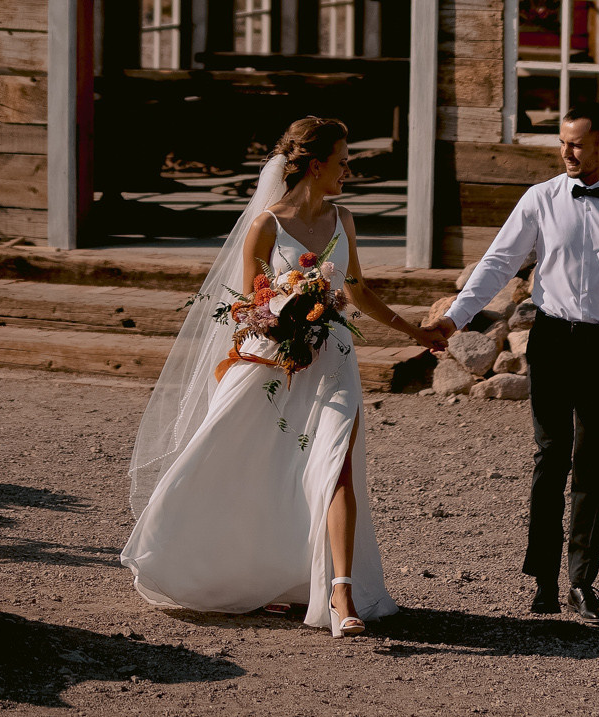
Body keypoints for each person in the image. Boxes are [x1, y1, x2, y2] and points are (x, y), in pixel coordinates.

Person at [121, 115, 430, 633]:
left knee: (337, 464)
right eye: (342, 161)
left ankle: (341, 595)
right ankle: (227, 562)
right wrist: (279, 317)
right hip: (277, 359)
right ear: (316, 165)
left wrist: (414, 331)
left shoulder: (343, 219)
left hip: (333, 358)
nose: (348, 170)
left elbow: (356, 289)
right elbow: (246, 304)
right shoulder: (266, 226)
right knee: (245, 458)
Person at [420, 106, 599, 625]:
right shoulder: (539, 199)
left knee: (593, 463)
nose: (566, 152)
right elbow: (498, 262)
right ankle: (542, 581)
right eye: (563, 143)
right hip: (551, 340)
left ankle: (582, 583)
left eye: (577, 144)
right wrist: (454, 320)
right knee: (550, 457)